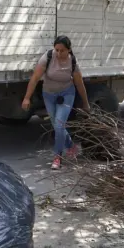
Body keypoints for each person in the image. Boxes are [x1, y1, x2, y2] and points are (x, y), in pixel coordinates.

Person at [22, 36, 90, 170]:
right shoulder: (47, 57)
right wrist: (26, 98)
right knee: (56, 125)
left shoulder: (73, 62)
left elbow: (79, 84)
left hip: (67, 94)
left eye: (62, 51)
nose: (58, 53)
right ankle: (70, 147)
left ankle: (58, 157)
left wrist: (86, 103)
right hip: (49, 95)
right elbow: (35, 78)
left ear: (69, 50)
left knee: (59, 124)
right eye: (56, 50)